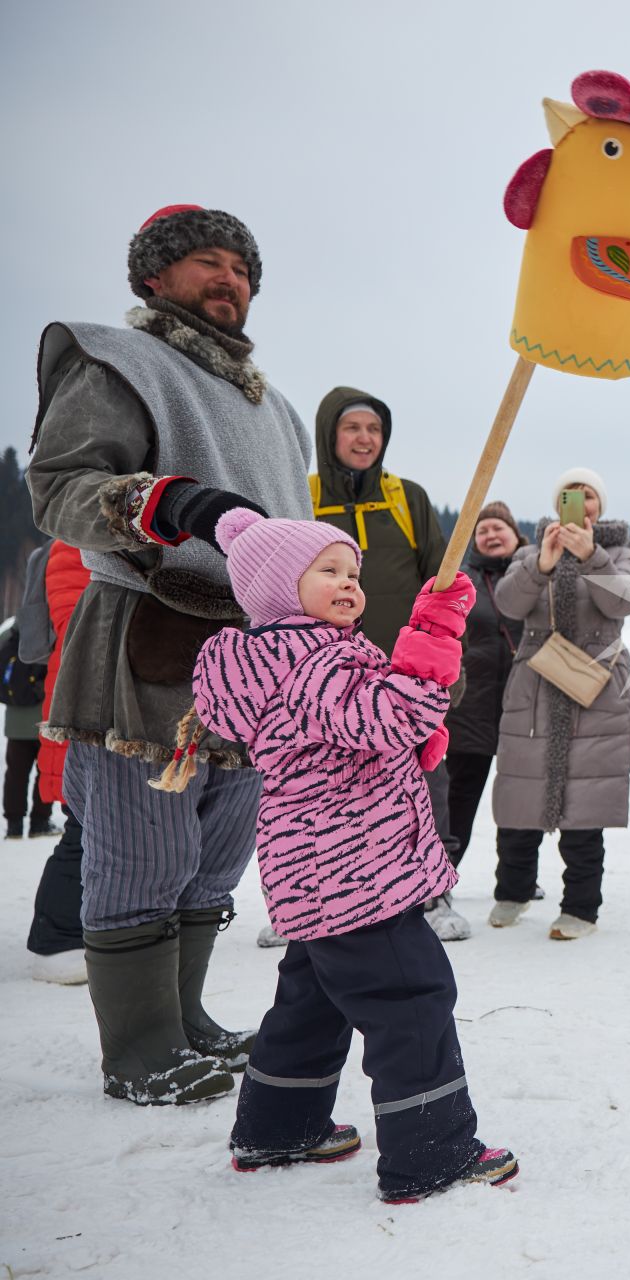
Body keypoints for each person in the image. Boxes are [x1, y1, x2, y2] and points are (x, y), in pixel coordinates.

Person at [27, 204, 311, 1105]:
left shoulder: (278, 408)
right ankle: (142, 1047)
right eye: (205, 262)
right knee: (143, 847)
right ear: (154, 277)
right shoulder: (117, 359)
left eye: (240, 267)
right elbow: (59, 487)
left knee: (217, 850)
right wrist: (161, 503)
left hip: (252, 650)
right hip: (150, 636)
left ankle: (184, 1016)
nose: (228, 279)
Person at [184, 509, 516, 1202]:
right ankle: (432, 1150)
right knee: (411, 996)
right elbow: (391, 715)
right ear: (279, 586)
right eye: (328, 571)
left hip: (314, 871)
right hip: (354, 867)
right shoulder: (314, 661)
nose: (348, 584)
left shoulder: (274, 658)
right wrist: (432, 634)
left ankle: (279, 1125)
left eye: (353, 573)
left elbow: (367, 727)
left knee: (313, 1001)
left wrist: (408, 677)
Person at [306, 386, 464, 943]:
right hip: (323, 674)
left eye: (374, 429)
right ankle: (314, 898)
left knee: (424, 775)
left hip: (403, 672)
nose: (364, 438)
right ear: (329, 434)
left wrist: (445, 663)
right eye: (352, 428)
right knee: (320, 782)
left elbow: (442, 585)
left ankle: (431, 889)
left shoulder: (408, 498)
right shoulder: (302, 497)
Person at [488, 469, 630, 941]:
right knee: (520, 795)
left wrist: (591, 557)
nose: (581, 503)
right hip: (536, 683)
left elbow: (626, 602)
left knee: (586, 805)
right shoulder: (533, 552)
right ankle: (512, 892)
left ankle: (580, 907)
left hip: (595, 687)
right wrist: (541, 566)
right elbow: (508, 604)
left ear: (600, 505)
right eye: (571, 496)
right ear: (559, 505)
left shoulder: (618, 552)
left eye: (589, 495)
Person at [22, 540, 92, 985]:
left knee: (93, 828)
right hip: (82, 702)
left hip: (74, 697)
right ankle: (55, 938)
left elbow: (31, 644)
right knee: (84, 829)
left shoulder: (49, 553)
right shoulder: (81, 547)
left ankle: (76, 930)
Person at [443, 503, 526, 878]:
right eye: (483, 530)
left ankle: (516, 882)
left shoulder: (534, 574)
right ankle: (439, 881)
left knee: (519, 801)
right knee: (459, 797)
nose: (491, 535)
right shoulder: (462, 578)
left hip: (523, 705)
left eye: (499, 528)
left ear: (515, 533)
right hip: (469, 708)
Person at [1, 616, 53, 839]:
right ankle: (39, 824)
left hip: (15, 720)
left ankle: (13, 825)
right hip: (45, 718)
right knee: (45, 771)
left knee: (15, 774)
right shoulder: (51, 631)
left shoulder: (11, 632)